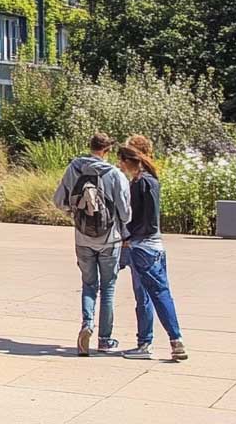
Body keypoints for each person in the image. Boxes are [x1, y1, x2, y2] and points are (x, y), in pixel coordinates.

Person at [53, 131, 131, 356]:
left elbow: (59, 200)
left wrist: (75, 212)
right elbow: (125, 212)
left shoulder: (74, 168)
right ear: (107, 150)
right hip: (110, 239)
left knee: (89, 285)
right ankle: (105, 340)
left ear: (91, 147)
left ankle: (87, 324)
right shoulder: (115, 174)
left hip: (82, 237)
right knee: (108, 288)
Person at [118, 137, 187, 361]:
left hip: (142, 246)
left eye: (121, 161)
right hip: (154, 245)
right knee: (158, 293)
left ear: (130, 160)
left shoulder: (141, 182)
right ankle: (162, 341)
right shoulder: (150, 180)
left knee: (150, 296)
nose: (119, 166)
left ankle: (158, 342)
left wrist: (128, 235)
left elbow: (144, 220)